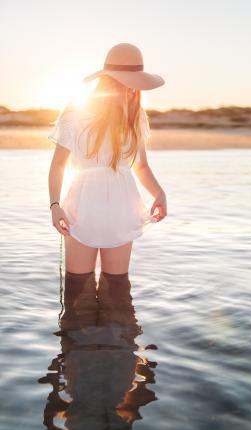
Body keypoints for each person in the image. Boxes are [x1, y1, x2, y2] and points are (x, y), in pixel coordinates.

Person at [48, 43, 167, 284]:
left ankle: (117, 324)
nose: (134, 89)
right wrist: (54, 205)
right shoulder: (76, 113)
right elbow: (59, 165)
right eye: (129, 81)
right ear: (113, 80)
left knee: (117, 286)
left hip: (122, 208)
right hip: (82, 208)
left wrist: (159, 193)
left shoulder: (137, 116)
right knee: (77, 286)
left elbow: (140, 166)